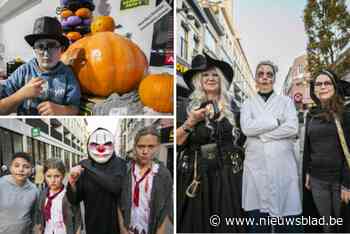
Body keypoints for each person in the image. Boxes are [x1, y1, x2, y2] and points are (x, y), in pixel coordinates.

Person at [176, 52, 246, 233]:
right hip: (199, 175)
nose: (210, 78)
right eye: (205, 75)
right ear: (199, 80)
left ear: (221, 80)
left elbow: (244, 141)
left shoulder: (234, 108)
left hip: (228, 176)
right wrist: (190, 122)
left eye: (215, 75)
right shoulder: (186, 106)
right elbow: (176, 142)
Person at [240, 61, 302, 232]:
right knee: (258, 220)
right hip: (256, 167)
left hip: (283, 167)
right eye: (261, 74)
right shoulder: (247, 104)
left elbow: (292, 127)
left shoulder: (286, 102)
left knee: (288, 218)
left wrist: (262, 135)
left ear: (274, 78)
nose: (265, 77)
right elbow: (246, 128)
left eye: (269, 74)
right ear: (256, 78)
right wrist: (275, 122)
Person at [0, 16, 81, 115]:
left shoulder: (67, 74)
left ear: (61, 49)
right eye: (40, 47)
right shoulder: (23, 72)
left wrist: (62, 110)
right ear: (34, 50)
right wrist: (21, 94)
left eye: (51, 46)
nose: (46, 54)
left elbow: (75, 108)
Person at [303, 69, 350, 233]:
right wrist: (308, 171)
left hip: (340, 181)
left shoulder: (345, 113)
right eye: (318, 84)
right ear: (314, 89)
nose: (322, 87)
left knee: (342, 225)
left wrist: (347, 184)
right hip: (317, 181)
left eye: (327, 83)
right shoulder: (311, 115)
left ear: (335, 86)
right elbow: (309, 147)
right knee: (326, 225)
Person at [66, 128, 126, 234]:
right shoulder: (84, 168)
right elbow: (74, 200)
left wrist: (87, 165)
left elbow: (115, 187)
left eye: (107, 144)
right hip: (93, 225)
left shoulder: (120, 164)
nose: (101, 148)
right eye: (95, 144)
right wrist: (72, 183)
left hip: (116, 226)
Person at [118, 126, 173, 234]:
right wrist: (122, 228)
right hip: (129, 229)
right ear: (134, 147)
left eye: (151, 146)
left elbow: (166, 208)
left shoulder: (163, 174)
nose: (145, 151)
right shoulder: (125, 171)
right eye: (141, 146)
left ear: (158, 147)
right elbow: (119, 203)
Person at [36, 158, 81, 234]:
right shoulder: (43, 193)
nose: (53, 180)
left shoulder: (69, 194)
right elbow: (40, 212)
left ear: (63, 176)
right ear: (44, 176)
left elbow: (78, 218)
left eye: (57, 176)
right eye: (49, 176)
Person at [0, 152, 39, 234]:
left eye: (26, 167)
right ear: (10, 168)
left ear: (31, 170)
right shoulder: (1, 184)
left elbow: (34, 214)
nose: (21, 169)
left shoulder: (34, 190)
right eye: (16, 166)